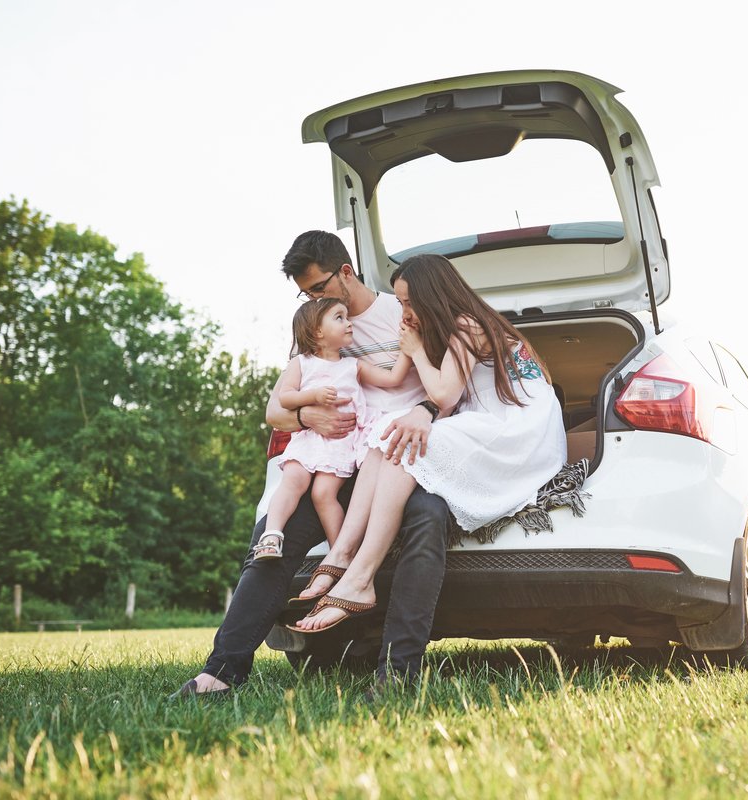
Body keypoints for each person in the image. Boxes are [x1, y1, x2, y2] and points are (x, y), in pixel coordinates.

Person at [172, 231, 449, 698]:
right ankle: (221, 671)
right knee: (273, 537)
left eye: (319, 288)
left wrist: (425, 411)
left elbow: (448, 387)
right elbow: (276, 409)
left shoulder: (400, 313)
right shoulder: (316, 327)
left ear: (345, 272)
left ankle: (397, 673)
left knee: (428, 518)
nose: (313, 299)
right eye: (306, 294)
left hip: (400, 455)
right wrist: (307, 415)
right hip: (337, 459)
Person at [287, 253, 567, 639]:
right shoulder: (467, 325)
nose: (403, 312)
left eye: (406, 302)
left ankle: (360, 575)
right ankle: (341, 557)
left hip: (517, 431)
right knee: (388, 432)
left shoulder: (468, 326)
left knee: (404, 443)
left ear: (431, 296)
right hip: (504, 423)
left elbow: (445, 395)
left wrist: (415, 350)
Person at [253, 298, 413, 560]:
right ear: (317, 331)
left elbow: (393, 379)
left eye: (347, 317)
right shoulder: (301, 364)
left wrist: (408, 350)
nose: (349, 323)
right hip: (308, 439)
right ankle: (271, 535)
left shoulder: (353, 366)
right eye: (339, 318)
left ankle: (340, 554)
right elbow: (286, 397)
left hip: (339, 443)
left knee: (323, 494)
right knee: (293, 481)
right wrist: (314, 396)